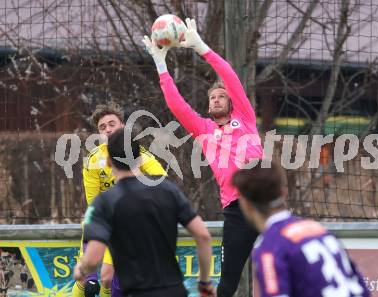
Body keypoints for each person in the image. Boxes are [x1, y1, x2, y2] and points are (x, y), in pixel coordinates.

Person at [143, 18, 277, 297]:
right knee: (227, 285)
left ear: (231, 101)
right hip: (237, 212)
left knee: (283, 273)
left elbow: (229, 75)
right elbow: (176, 104)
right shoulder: (203, 130)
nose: (216, 99)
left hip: (264, 202)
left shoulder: (245, 118)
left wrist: (202, 48)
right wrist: (161, 64)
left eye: (221, 96)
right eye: (212, 97)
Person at [73, 128, 216, 297]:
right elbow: (203, 236)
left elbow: (92, 258)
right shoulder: (168, 190)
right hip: (173, 290)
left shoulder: (104, 202)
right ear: (140, 159)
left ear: (109, 161)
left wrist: (81, 270)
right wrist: (205, 282)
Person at [231, 162, 370, 297]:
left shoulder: (270, 246)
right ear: (284, 193)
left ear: (245, 204)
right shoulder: (318, 230)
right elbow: (361, 288)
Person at [72, 102, 167, 297]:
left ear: (122, 127)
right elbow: (93, 202)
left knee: (108, 278)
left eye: (112, 124)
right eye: (102, 127)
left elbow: (159, 179)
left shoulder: (138, 153)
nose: (107, 129)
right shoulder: (93, 160)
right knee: (86, 282)